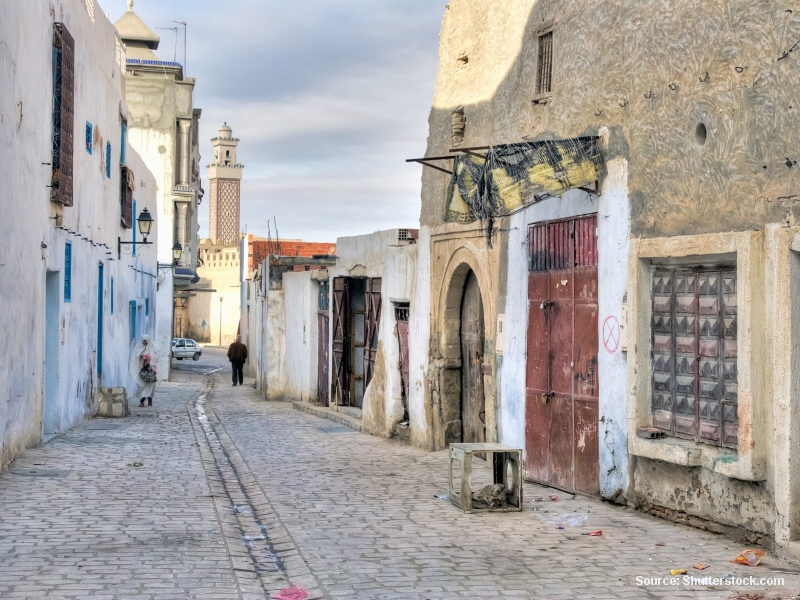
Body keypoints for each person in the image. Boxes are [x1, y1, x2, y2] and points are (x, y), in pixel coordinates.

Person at [130, 335, 158, 407]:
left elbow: (156, 357)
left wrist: (149, 357)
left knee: (150, 385)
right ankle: (141, 401)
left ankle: (150, 399)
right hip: (142, 370)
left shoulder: (153, 347)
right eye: (143, 341)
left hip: (150, 370)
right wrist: (141, 356)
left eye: (146, 341)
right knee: (141, 386)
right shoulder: (139, 347)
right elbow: (135, 356)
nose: (145, 343)